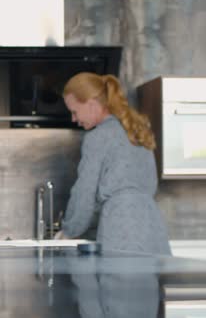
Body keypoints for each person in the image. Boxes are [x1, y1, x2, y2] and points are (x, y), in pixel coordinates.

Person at [55, 72, 171, 255]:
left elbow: (84, 191)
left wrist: (69, 230)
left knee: (118, 282)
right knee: (151, 283)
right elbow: (150, 184)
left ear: (92, 105)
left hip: (121, 227)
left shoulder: (97, 137)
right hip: (153, 226)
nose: (73, 119)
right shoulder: (136, 130)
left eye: (74, 111)